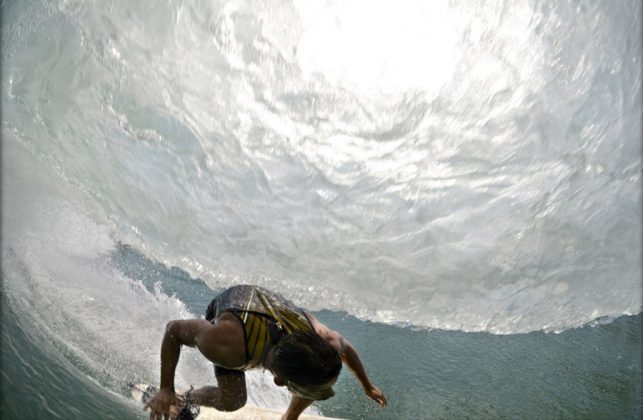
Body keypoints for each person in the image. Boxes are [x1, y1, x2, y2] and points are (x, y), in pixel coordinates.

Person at [144, 284, 387, 420]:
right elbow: (173, 330)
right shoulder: (226, 345)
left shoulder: (322, 342)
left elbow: (346, 348)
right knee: (233, 401)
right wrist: (165, 387)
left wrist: (367, 385)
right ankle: (184, 399)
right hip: (237, 306)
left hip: (274, 309)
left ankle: (288, 419)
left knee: (315, 375)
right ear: (281, 382)